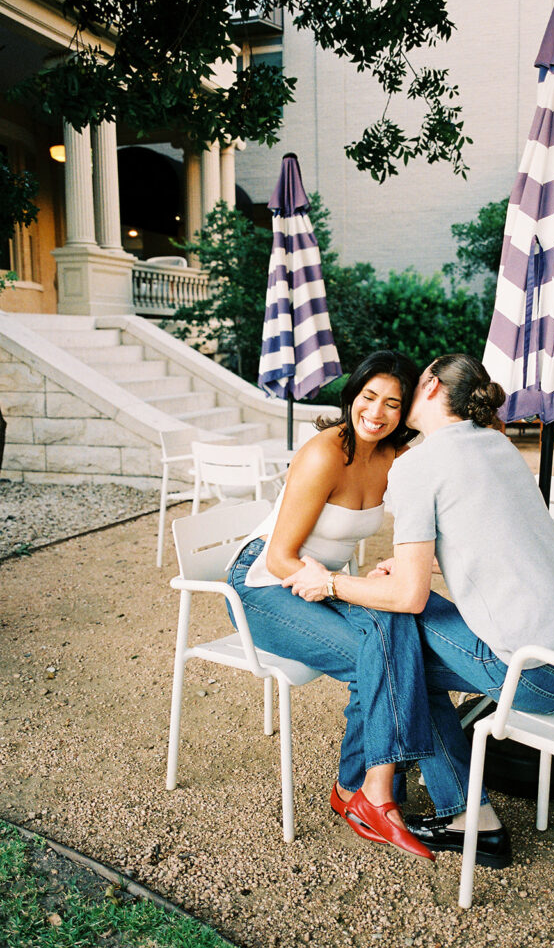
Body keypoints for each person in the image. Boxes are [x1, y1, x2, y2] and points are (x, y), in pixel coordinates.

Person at [286, 352, 554, 868]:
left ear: (430, 386)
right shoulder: (497, 445)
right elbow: (500, 544)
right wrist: (418, 568)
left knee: (399, 643)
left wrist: (331, 582)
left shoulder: (418, 465)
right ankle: (417, 799)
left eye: (413, 384)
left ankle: (416, 799)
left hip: (537, 673)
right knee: (401, 643)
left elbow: (406, 600)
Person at [227, 350, 435, 859]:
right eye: (368, 397)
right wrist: (331, 583)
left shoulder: (394, 458)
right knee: (383, 656)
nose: (377, 413)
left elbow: (422, 528)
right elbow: (279, 557)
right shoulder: (326, 452)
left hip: (326, 581)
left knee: (398, 624)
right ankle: (366, 793)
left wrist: (393, 565)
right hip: (264, 585)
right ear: (352, 396)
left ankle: (361, 789)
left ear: (405, 412)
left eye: (392, 403)